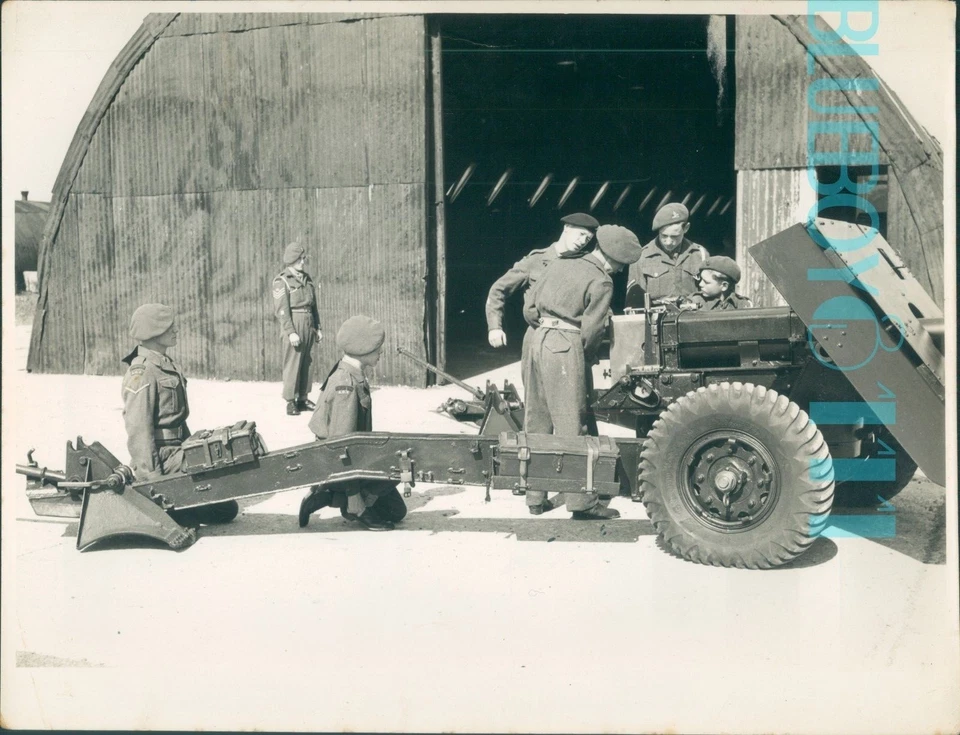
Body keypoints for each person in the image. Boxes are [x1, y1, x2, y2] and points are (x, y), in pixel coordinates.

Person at [522, 224, 643, 520]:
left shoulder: (560, 262)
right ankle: (581, 502)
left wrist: (546, 329)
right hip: (566, 345)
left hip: (537, 341)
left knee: (537, 419)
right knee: (572, 424)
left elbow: (529, 308)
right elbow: (592, 330)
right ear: (612, 259)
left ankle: (535, 497)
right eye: (620, 265)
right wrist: (585, 355)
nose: (619, 271)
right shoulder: (601, 280)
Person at [121, 303, 237, 522]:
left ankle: (183, 507)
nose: (175, 330)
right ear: (153, 331)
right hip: (162, 458)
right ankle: (173, 509)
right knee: (220, 504)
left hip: (177, 450)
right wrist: (152, 480)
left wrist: (192, 447)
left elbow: (178, 420)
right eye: (169, 327)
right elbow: (138, 429)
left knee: (226, 509)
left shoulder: (164, 364)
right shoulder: (142, 372)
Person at [298, 315, 407, 531]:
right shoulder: (345, 385)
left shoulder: (350, 372)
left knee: (396, 512)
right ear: (363, 350)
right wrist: (354, 495)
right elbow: (341, 447)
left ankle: (326, 497)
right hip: (337, 466)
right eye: (377, 348)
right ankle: (352, 505)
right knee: (397, 463)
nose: (381, 352)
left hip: (349, 460)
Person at [485, 212, 599, 386]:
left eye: (588, 238)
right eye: (581, 234)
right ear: (567, 228)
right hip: (538, 336)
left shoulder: (584, 264)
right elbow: (498, 289)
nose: (583, 241)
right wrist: (495, 327)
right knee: (536, 391)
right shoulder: (536, 261)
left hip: (570, 339)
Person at [625, 202, 709, 307]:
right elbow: (634, 303)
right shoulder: (641, 257)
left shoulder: (700, 255)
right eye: (664, 236)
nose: (668, 242)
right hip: (657, 315)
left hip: (693, 315)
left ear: (686, 228)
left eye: (674, 236)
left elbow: (710, 296)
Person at [273, 243, 322, 416]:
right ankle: (290, 401)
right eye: (299, 259)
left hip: (308, 322)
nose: (303, 262)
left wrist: (318, 327)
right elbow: (282, 310)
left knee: (307, 362)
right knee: (293, 363)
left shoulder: (307, 279)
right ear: (291, 260)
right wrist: (291, 332)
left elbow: (313, 306)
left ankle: (302, 398)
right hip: (294, 322)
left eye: (303, 258)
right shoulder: (282, 281)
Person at [682, 255, 753, 311]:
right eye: (701, 280)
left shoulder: (742, 305)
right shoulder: (694, 301)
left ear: (724, 286)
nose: (700, 284)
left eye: (706, 282)